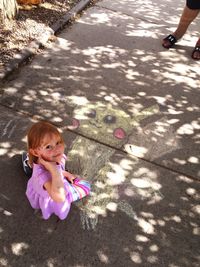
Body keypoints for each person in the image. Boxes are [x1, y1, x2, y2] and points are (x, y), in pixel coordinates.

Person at [23, 120, 91, 220]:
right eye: (48, 146)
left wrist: (64, 172)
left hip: (50, 180)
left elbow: (52, 166)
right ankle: (71, 194)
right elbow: (59, 197)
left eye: (58, 142)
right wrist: (55, 170)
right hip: (57, 193)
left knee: (60, 158)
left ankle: (29, 163)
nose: (56, 149)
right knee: (86, 186)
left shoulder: (43, 158)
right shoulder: (42, 175)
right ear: (36, 152)